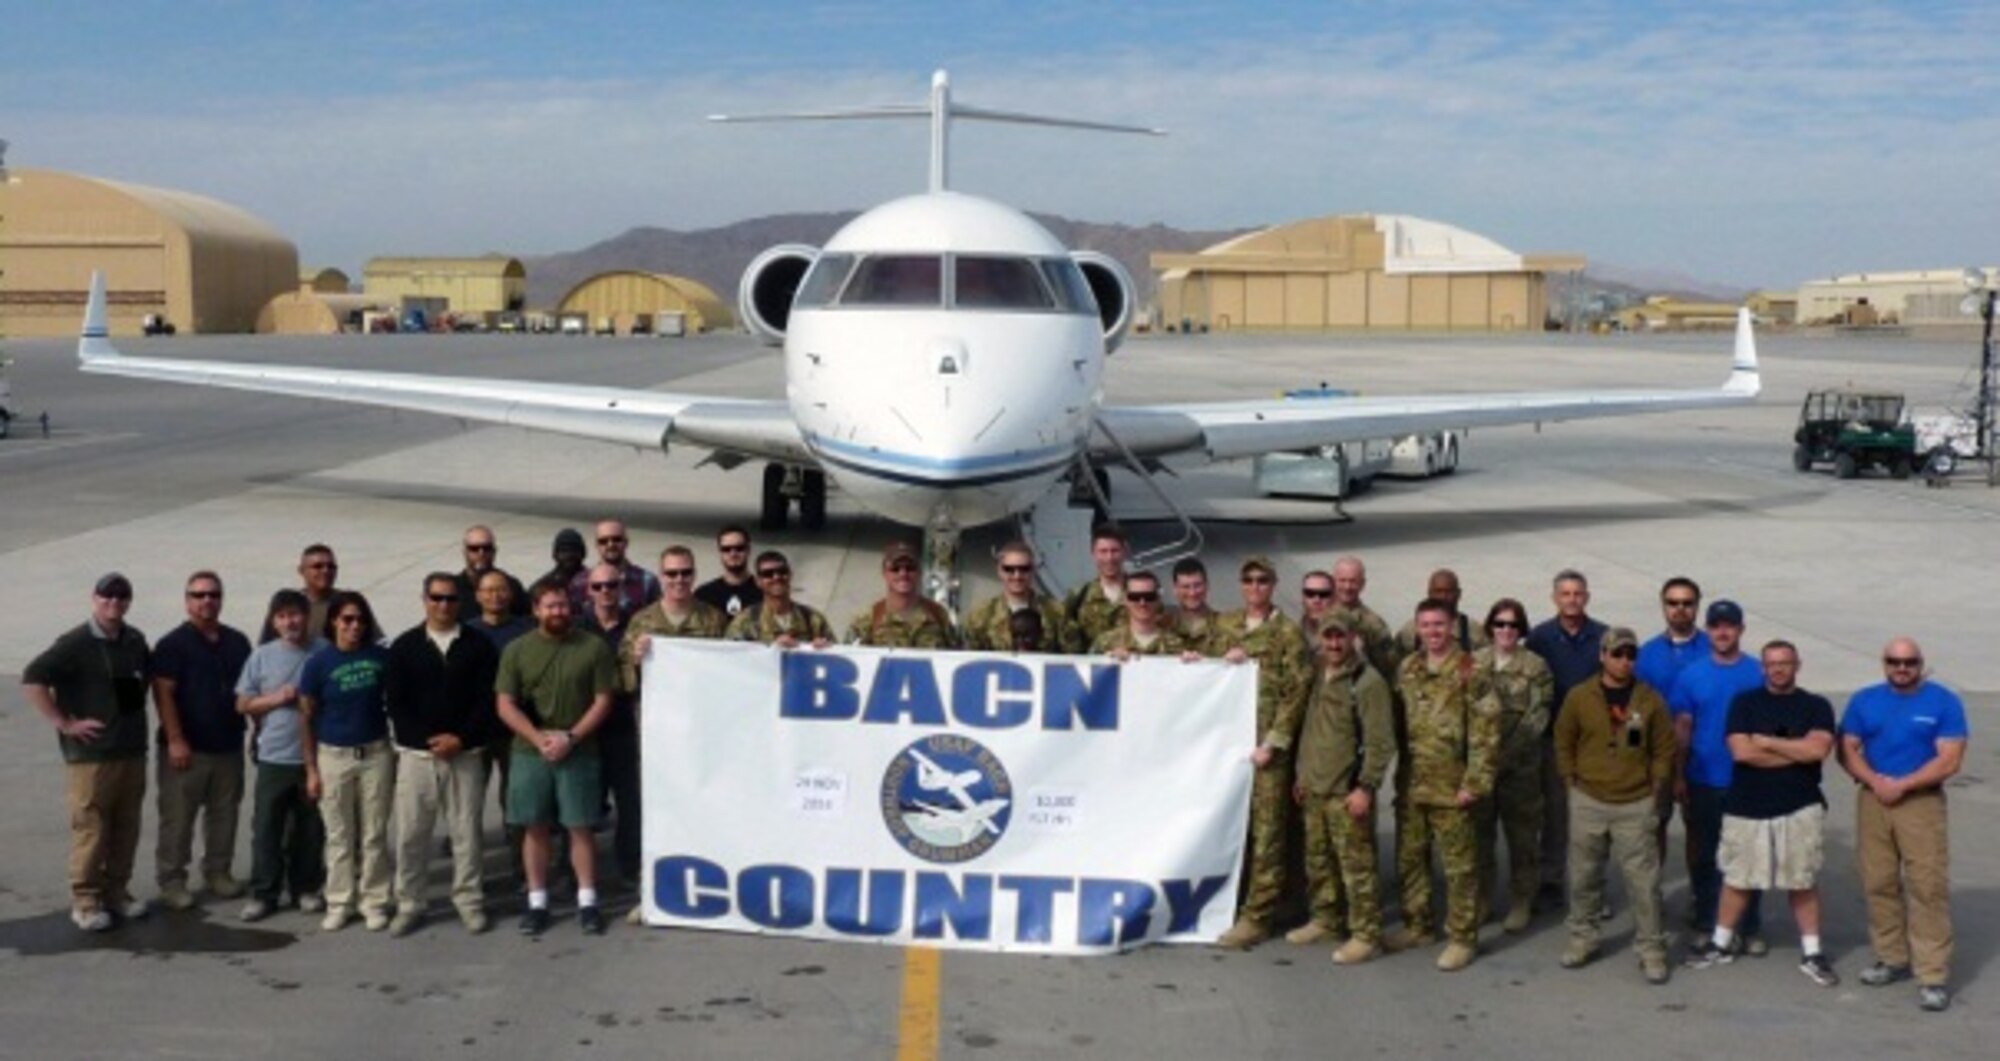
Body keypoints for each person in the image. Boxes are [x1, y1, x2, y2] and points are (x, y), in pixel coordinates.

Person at [1685, 641, 1838, 987]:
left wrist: (1768, 742)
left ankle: (1813, 952)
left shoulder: (1815, 705)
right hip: (1747, 805)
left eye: (1785, 663)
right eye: (1772, 663)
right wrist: (1794, 751)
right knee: (1737, 877)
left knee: (1802, 880)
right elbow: (1741, 753)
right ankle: (1720, 943)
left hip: (1800, 806)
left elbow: (1817, 750)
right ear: (1763, 668)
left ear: (1797, 664)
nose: (1779, 669)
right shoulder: (1745, 703)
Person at [1839, 638, 1969, 1012]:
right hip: (1873, 799)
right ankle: (1891, 958)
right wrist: (1876, 781)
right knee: (1878, 881)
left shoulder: (1943, 702)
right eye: (1894, 661)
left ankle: (1932, 974)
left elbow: (1949, 759)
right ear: (1883, 663)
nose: (1902, 668)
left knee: (1927, 886)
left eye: (1909, 662)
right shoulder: (1865, 700)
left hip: (1920, 803)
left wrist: (1904, 784)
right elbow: (1848, 747)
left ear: (1920, 664)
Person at [22, 573, 154, 932]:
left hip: (130, 751)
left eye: (122, 596)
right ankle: (85, 900)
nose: (114, 602)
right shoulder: (75, 643)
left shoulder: (133, 640)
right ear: (94, 598)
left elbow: (136, 688)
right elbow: (33, 679)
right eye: (107, 596)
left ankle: (117, 892)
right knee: (91, 829)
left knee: (126, 826)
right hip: (91, 757)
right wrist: (64, 723)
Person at [497, 579, 620, 937]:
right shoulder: (517, 650)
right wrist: (538, 739)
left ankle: (588, 901)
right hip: (529, 752)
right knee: (534, 827)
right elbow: (505, 704)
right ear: (536, 610)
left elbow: (603, 700)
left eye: (563, 605)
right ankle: (538, 901)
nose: (557, 612)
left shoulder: (593, 648)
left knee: (579, 826)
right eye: (550, 606)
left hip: (579, 750)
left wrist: (571, 737)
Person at [1553, 627, 1675, 985]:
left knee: (1644, 882)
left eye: (1630, 655)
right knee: (1584, 875)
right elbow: (1564, 739)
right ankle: (1582, 938)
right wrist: (1570, 781)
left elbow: (1664, 747)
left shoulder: (1649, 700)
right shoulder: (1579, 697)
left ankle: (1651, 948)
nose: (1624, 661)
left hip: (1635, 802)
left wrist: (1655, 787)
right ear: (1602, 655)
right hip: (1588, 798)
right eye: (1617, 653)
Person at [1385, 598, 1500, 972]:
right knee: (1411, 861)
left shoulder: (1471, 669)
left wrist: (1475, 783)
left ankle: (1463, 938)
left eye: (1439, 625)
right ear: (1416, 628)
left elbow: (1487, 731)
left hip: (1454, 789)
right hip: (1414, 784)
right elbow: (1398, 725)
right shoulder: (1408, 668)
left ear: (1452, 626)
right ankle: (1419, 926)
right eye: (1425, 625)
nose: (1432, 633)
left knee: (1459, 867)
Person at [384, 573, 500, 936]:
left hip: (465, 757)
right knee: (411, 836)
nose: (443, 605)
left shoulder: (478, 646)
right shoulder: (404, 647)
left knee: (466, 834)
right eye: (436, 598)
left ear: (460, 603)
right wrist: (428, 741)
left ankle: (469, 902)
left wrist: (460, 740)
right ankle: (410, 903)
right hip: (416, 759)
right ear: (424, 600)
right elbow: (396, 704)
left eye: (450, 599)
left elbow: (486, 701)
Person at [619, 545, 731, 922]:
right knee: (656, 814)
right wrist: (636, 659)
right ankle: (651, 893)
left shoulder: (714, 621)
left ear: (694, 575)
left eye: (685, 573)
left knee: (703, 810)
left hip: (703, 736)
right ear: (661, 577)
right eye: (671, 574)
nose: (678, 580)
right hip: (656, 740)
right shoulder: (642, 623)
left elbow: (736, 674)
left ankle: (706, 889)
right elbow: (623, 680)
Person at [1215, 556, 1313, 950]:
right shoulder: (1224, 627)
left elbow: (1297, 692)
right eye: (1249, 580)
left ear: (1273, 585)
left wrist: (1273, 741)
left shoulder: (1287, 633)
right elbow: (1198, 669)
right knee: (1228, 826)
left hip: (1266, 751)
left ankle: (1258, 914)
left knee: (1268, 833)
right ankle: (1230, 900)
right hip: (1227, 749)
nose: (1255, 587)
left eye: (1263, 580)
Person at [1290, 616, 1395, 964]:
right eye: (1328, 638)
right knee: (1319, 863)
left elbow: (1380, 742)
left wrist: (1365, 787)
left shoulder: (1367, 683)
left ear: (1353, 638)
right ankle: (1326, 919)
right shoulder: (1319, 674)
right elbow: (1310, 730)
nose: (1334, 645)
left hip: (1345, 792)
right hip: (1316, 787)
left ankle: (1366, 933)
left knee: (1357, 868)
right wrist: (1302, 775)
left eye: (1340, 638)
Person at [150, 570, 253, 910]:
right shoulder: (172, 645)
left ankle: (218, 872)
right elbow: (163, 692)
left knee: (225, 814)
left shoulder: (238, 641)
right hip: (186, 750)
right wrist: (176, 739)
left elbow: (248, 689)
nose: (206, 601)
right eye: (199, 595)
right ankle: (172, 880)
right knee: (178, 818)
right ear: (187, 601)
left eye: (213, 594)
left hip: (228, 745)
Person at [1671, 599, 1767, 950]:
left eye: (1730, 625)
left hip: (1749, 780)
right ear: (1707, 630)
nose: (1723, 632)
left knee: (1750, 855)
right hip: (1704, 779)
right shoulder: (1691, 675)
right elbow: (1683, 729)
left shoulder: (1758, 673)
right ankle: (1708, 921)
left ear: (1741, 629)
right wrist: (1679, 775)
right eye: (1716, 626)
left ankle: (1749, 925)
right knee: (1707, 855)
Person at [299, 591, 394, 932]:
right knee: (339, 835)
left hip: (375, 753)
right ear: (334, 622)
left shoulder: (381, 658)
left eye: (361, 620)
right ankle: (340, 901)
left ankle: (375, 901)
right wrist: (311, 769)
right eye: (348, 619)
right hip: (333, 756)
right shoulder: (318, 664)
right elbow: (306, 717)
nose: (355, 626)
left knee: (374, 834)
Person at [234, 589, 326, 922]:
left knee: (310, 827)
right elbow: (243, 703)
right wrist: (276, 698)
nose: (291, 621)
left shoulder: (323, 651)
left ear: (307, 617)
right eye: (283, 616)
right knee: (267, 827)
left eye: (297, 614)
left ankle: (306, 887)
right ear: (274, 622)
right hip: (274, 756)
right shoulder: (262, 656)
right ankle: (265, 893)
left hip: (314, 756)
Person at [1525, 568, 1607, 911]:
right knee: (1555, 815)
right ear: (1555, 598)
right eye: (1566, 594)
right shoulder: (1540, 638)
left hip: (1593, 744)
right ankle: (1551, 880)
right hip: (1553, 741)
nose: (1572, 600)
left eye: (1578, 594)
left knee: (1593, 821)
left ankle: (1593, 888)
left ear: (1586, 597)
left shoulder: (1604, 636)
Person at [1472, 597, 1554, 933]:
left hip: (1519, 770)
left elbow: (1538, 717)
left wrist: (1502, 756)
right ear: (1490, 627)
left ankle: (1522, 901)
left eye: (1513, 625)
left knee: (1522, 840)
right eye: (1500, 624)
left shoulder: (1535, 666)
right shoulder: (1473, 663)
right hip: (1480, 769)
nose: (1506, 630)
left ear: (1521, 630)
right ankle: (1481, 900)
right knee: (1480, 839)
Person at [1637, 576, 1708, 863]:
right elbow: (1634, 711)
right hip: (1658, 757)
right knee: (1654, 827)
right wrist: (1633, 752)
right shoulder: (1646, 654)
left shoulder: (1712, 649)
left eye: (1687, 603)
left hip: (1702, 757)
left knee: (1700, 830)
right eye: (1673, 603)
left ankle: (1699, 897)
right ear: (1663, 606)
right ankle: (1652, 898)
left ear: (1697, 606)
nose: (1680, 609)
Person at [962, 542, 1079, 653]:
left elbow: (1074, 657)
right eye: (1009, 569)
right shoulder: (980, 617)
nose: (1017, 576)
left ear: (1033, 571)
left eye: (1024, 569)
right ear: (999, 571)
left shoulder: (1056, 613)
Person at [845, 542, 961, 648]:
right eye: (895, 569)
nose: (903, 574)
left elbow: (959, 654)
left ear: (919, 572)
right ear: (884, 573)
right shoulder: (867, 621)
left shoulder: (939, 615)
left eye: (910, 568)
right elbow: (845, 657)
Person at [725, 551, 836, 647]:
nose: (776, 577)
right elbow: (732, 662)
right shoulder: (744, 622)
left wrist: (824, 650)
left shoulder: (813, 620)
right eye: (768, 574)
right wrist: (772, 649)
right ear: (758, 581)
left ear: (790, 575)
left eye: (782, 572)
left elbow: (838, 659)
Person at [1090, 571, 1192, 659]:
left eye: (1149, 596)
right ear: (1125, 599)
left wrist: (1194, 666)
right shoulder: (1105, 644)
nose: (1142, 603)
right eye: (1135, 597)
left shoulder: (1176, 646)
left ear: (1158, 599)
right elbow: (1086, 675)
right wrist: (1106, 662)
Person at [569, 518, 660, 615]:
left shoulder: (647, 582)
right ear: (596, 545)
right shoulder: (580, 583)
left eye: (616, 539)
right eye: (603, 541)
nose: (610, 545)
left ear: (626, 542)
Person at [1393, 569, 1489, 658]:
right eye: (1438, 591)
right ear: (1429, 593)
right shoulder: (1409, 631)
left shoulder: (1473, 630)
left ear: (1458, 594)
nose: (1443, 597)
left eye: (1449, 592)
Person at [1063, 524, 1130, 649]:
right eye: (1103, 551)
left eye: (1114, 551)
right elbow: (1068, 641)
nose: (1109, 558)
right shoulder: (1079, 596)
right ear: (1093, 553)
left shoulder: (1142, 595)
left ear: (1125, 552)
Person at [1328, 556, 1395, 679]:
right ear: (1333, 581)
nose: (1347, 587)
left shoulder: (1374, 625)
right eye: (1342, 580)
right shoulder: (1319, 615)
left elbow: (1387, 669)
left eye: (1353, 581)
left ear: (1362, 584)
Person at [453, 524, 527, 623]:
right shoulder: (453, 588)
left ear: (494, 551)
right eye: (474, 549)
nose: (481, 553)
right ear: (465, 552)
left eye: (487, 548)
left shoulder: (511, 585)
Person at [693, 525, 762, 619]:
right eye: (726, 549)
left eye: (739, 548)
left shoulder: (763, 593)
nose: (733, 554)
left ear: (748, 550)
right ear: (720, 552)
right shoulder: (704, 596)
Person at [1169, 557, 1233, 658]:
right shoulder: (1163, 626)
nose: (1192, 593)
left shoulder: (1227, 626)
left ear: (1207, 585)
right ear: (1175, 589)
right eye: (1185, 587)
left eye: (1197, 585)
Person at [298, 543, 340, 639]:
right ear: (301, 571)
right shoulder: (288, 605)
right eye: (317, 566)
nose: (326, 571)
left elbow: (378, 642)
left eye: (331, 566)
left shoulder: (349, 603)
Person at [539, 527, 589, 595]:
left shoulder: (595, 583)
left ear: (583, 553)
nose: (569, 555)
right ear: (555, 555)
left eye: (574, 550)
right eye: (564, 551)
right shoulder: (543, 587)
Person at [1296, 569, 1336, 646]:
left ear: (1334, 598)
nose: (1317, 600)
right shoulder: (1289, 632)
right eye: (1310, 593)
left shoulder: (1348, 638)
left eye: (1324, 594)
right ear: (1303, 597)